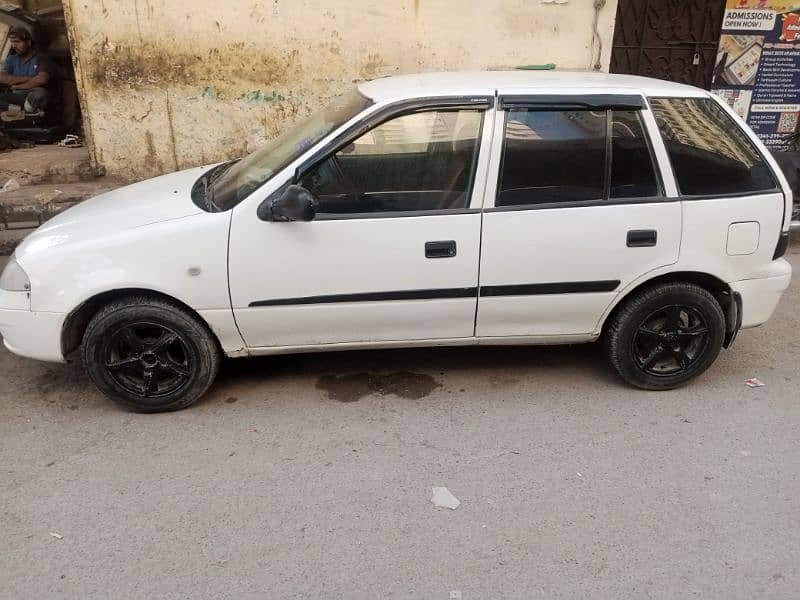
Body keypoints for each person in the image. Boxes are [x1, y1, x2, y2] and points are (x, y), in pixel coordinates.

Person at [0, 26, 54, 120]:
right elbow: (3, 78)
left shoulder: (41, 58)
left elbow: (42, 79)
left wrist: (18, 86)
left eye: (17, 42)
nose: (13, 46)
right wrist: (30, 78)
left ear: (28, 42)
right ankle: (21, 113)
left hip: (32, 96)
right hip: (16, 96)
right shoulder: (11, 59)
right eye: (12, 42)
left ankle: (27, 114)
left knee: (40, 94)